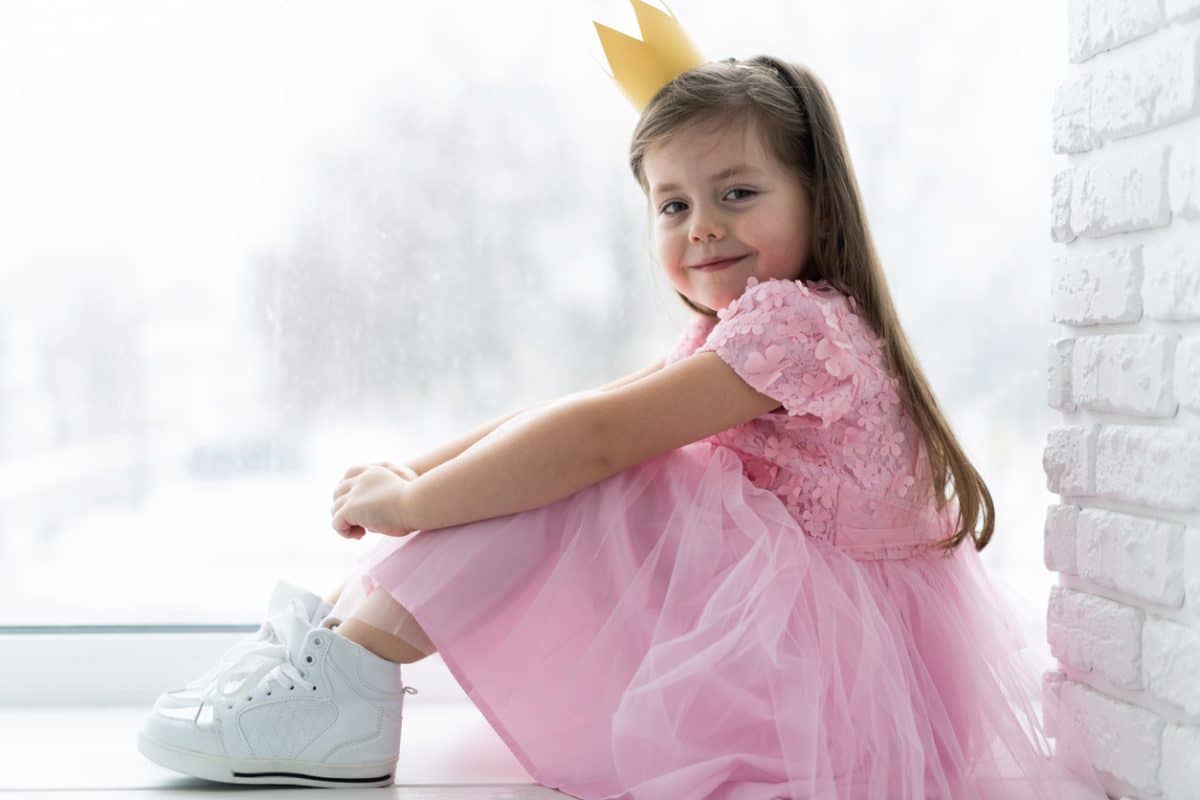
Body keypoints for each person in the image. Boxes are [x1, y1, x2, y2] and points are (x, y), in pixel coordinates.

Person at [137, 9, 1111, 800]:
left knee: (598, 477)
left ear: (816, 198)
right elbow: (589, 406)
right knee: (568, 460)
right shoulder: (754, 326)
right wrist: (415, 471)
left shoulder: (795, 324)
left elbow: (596, 437)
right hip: (802, 665)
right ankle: (339, 650)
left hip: (805, 680)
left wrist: (417, 501)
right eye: (674, 205)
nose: (703, 228)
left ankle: (348, 678)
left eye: (737, 192)